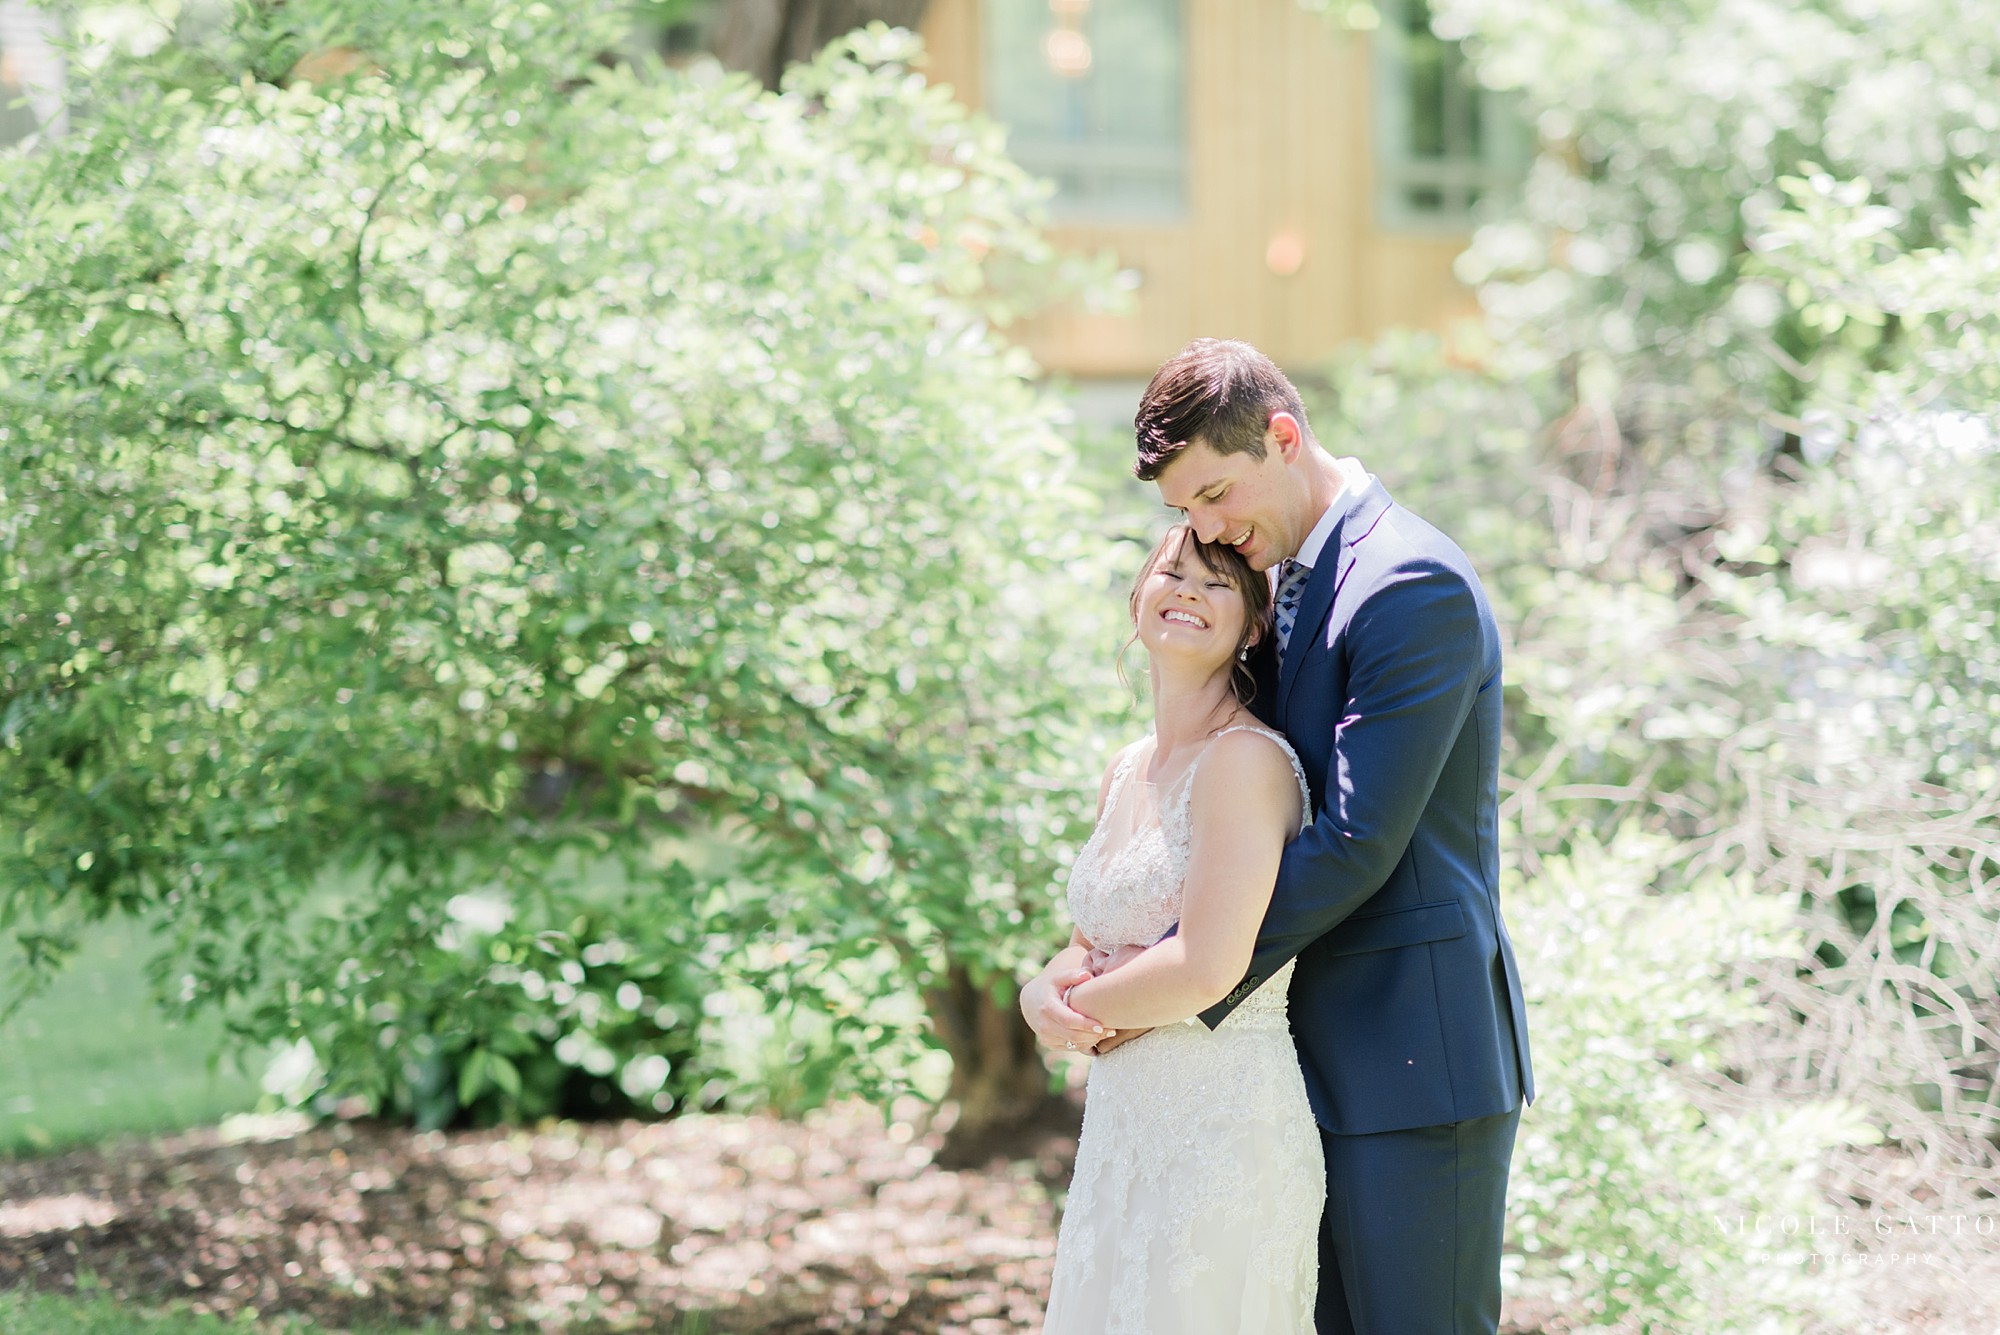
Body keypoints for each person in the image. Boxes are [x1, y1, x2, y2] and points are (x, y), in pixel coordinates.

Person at [1023, 338, 1533, 1335]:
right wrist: (1093, 965)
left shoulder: (1404, 582)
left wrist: (1161, 982)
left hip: (1406, 1056)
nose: (1206, 532)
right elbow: (1206, 834)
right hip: (1281, 1070)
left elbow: (1353, 841)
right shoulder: (1277, 581)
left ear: (1282, 437)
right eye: (1182, 515)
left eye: (1214, 494)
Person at [1036, 520, 1323, 1335]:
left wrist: (1078, 1012)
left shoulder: (1246, 761)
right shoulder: (1124, 769)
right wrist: (1038, 992)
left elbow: (1207, 965)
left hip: (1221, 1128)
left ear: (1255, 625)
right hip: (1124, 1126)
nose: (1190, 591)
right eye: (1174, 573)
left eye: (1218, 582)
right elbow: (1090, 939)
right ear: (1139, 598)